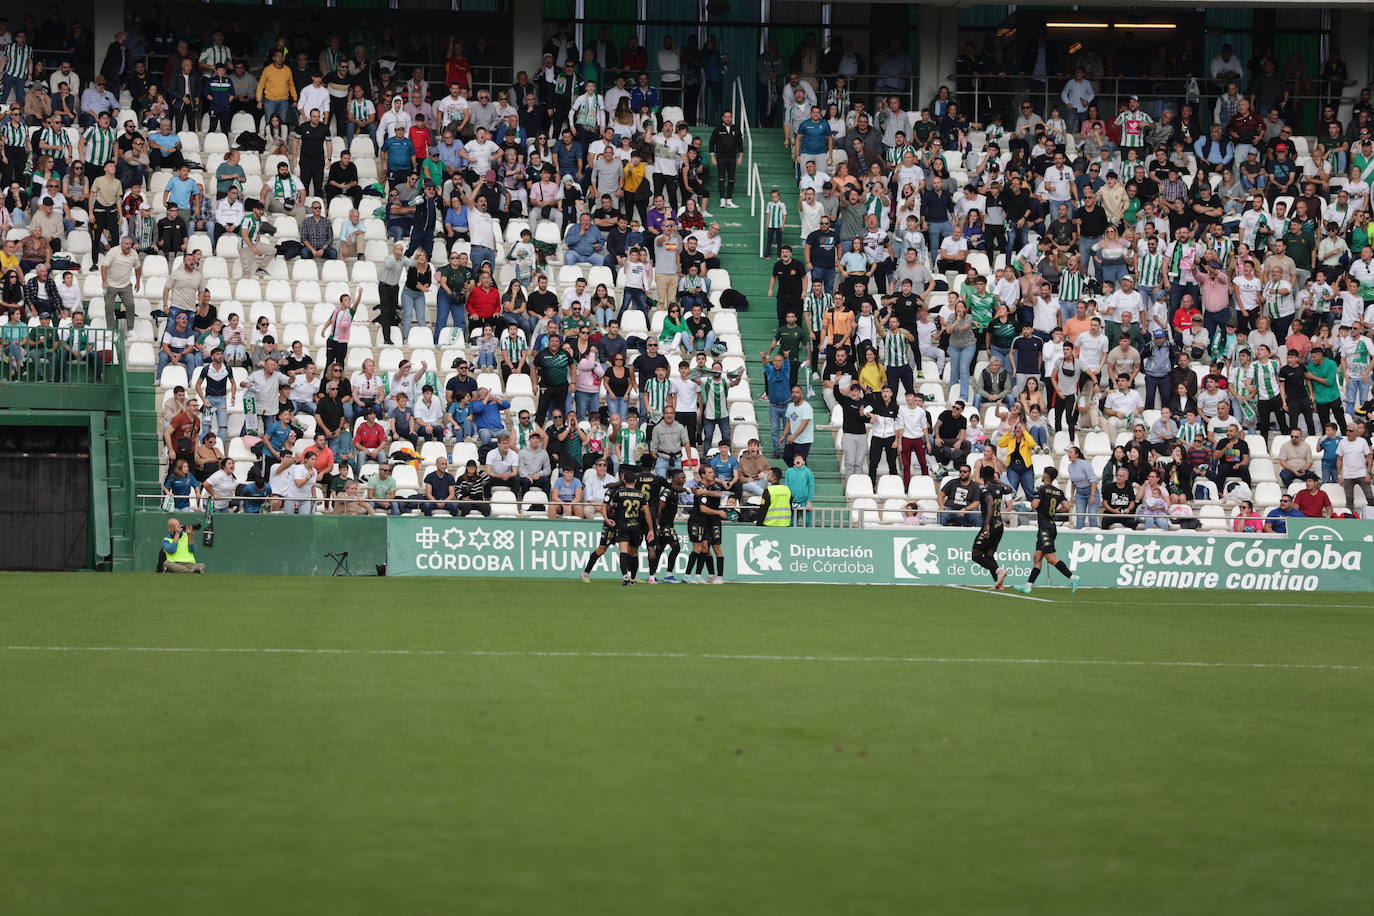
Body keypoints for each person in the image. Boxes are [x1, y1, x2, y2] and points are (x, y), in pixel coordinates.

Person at [1015, 468, 1080, 593]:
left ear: (1046, 475)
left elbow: (1034, 505)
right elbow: (1067, 507)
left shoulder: (1042, 489)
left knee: (1050, 558)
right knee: (1037, 557)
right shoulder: (1058, 491)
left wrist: (1037, 500)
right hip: (1051, 527)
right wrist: (1055, 511)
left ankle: (1072, 577)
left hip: (1045, 528)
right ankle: (1028, 586)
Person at [604, 464, 654, 586]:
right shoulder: (641, 495)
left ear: (624, 480)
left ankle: (625, 575)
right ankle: (633, 578)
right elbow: (647, 514)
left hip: (622, 526)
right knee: (634, 553)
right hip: (636, 526)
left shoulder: (619, 493)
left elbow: (610, 507)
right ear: (635, 481)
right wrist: (651, 529)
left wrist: (608, 516)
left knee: (623, 551)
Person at [970, 466, 1012, 589]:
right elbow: (1009, 489)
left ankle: (999, 570)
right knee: (989, 555)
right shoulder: (999, 487)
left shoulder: (984, 490)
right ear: (992, 475)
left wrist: (986, 525)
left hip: (991, 525)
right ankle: (999, 584)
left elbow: (990, 504)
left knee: (976, 554)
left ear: (982, 476)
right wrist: (998, 480)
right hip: (999, 526)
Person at [685, 463, 726, 584]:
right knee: (703, 548)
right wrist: (718, 512)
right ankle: (698, 575)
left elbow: (720, 494)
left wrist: (705, 492)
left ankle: (718, 576)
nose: (712, 474)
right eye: (709, 472)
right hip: (702, 520)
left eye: (713, 472)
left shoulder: (712, 486)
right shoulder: (700, 488)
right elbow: (702, 508)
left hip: (712, 520)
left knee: (715, 547)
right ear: (702, 474)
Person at [645, 468, 687, 584]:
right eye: (682, 477)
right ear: (674, 478)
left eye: (684, 477)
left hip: (666, 525)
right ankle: (668, 575)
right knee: (675, 547)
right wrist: (657, 526)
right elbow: (660, 508)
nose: (684, 479)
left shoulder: (674, 491)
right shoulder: (667, 492)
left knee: (659, 550)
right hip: (665, 526)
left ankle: (652, 576)